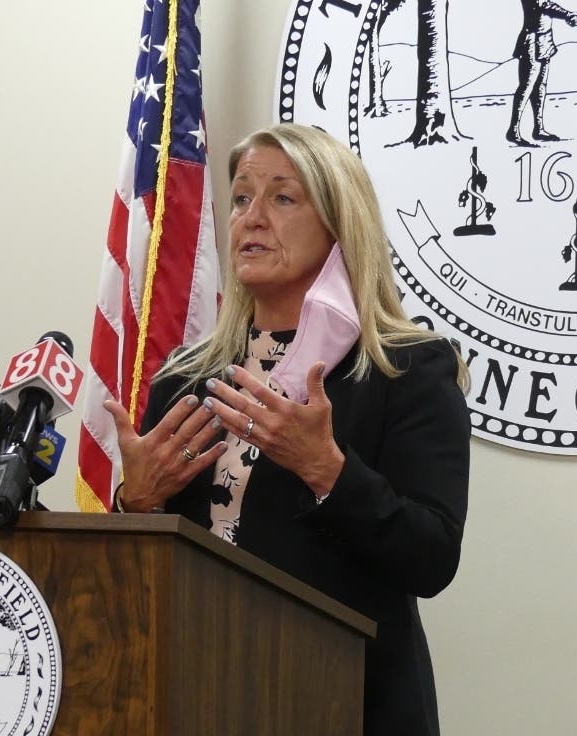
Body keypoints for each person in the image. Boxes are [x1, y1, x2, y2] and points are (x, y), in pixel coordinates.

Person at [105, 123, 471, 735]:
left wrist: (327, 469)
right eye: (243, 197)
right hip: (190, 699)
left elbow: (431, 558)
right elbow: (138, 578)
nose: (251, 217)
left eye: (282, 197)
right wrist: (133, 503)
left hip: (342, 706)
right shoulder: (184, 378)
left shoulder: (405, 370)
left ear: (338, 224)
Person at [507, 0, 577, 145]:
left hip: (545, 39)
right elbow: (544, 4)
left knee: (540, 87)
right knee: (527, 86)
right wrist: (568, 15)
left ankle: (538, 128)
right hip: (532, 40)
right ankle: (513, 130)